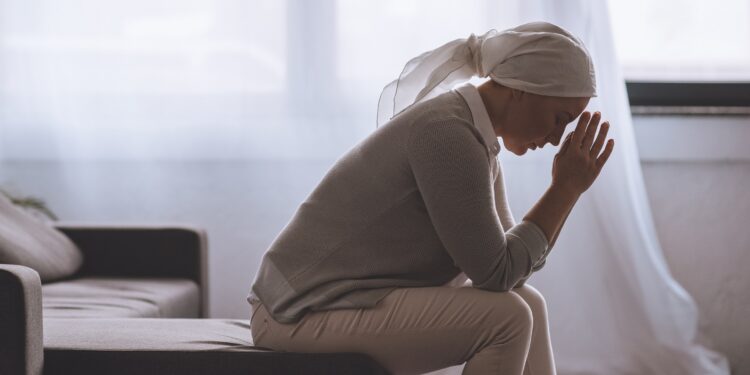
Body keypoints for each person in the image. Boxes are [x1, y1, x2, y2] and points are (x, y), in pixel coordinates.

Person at [248, 21, 615, 375]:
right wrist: (564, 189)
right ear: (521, 88)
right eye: (559, 118)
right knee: (508, 318)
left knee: (529, 303)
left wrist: (570, 188)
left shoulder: (475, 137)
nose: (556, 138)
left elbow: (514, 267)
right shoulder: (447, 133)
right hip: (295, 312)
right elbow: (497, 273)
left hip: (327, 303)